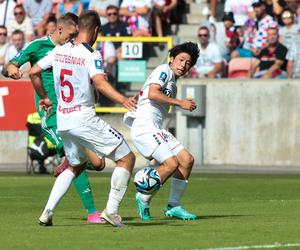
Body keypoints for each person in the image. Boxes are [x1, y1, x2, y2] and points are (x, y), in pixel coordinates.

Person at [29, 10, 137, 227]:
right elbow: (99, 83)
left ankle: (47, 212)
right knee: (127, 158)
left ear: (78, 28)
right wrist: (122, 99)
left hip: (64, 119)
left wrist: (44, 97)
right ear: (96, 30)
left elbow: (33, 71)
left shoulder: (59, 50)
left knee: (74, 166)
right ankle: (112, 212)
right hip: (84, 117)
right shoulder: (91, 55)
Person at [2, 13, 105, 224]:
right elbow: (10, 65)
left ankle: (66, 166)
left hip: (73, 113)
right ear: (60, 29)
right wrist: (12, 70)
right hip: (52, 115)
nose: (73, 37)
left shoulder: (73, 50)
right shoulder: (38, 46)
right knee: (77, 160)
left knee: (98, 163)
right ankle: (92, 212)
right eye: (71, 33)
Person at [123, 42, 199, 220]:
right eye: (181, 60)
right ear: (171, 59)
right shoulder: (164, 70)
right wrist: (181, 103)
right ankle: (143, 196)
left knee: (187, 160)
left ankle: (173, 206)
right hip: (145, 127)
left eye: (188, 63)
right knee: (171, 164)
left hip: (156, 128)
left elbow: (149, 92)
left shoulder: (171, 80)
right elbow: (153, 94)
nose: (183, 65)